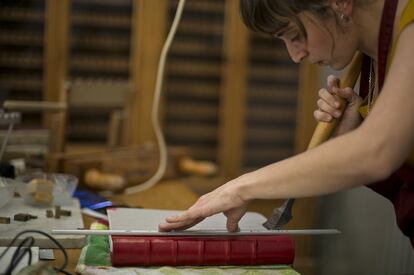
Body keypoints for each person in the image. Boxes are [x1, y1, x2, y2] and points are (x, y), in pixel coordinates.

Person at [158, 0, 414, 247]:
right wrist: (355, 135)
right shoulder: (373, 58)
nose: (295, 55)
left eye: (293, 35)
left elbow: (376, 154)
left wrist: (242, 188)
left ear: (340, 2)